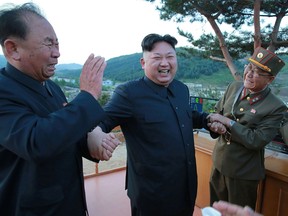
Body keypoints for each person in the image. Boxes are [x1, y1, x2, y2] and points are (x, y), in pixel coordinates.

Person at [0, 3, 119, 216]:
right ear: (13, 49)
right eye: (48, 44)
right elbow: (36, 141)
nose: (57, 53)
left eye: (57, 44)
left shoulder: (52, 87)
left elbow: (61, 132)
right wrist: (89, 95)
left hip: (70, 203)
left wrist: (89, 142)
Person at [98, 33, 226, 216]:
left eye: (170, 57)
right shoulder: (128, 93)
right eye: (157, 58)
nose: (164, 63)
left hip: (186, 185)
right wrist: (96, 135)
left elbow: (185, 115)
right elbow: (102, 120)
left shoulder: (181, 89)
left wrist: (207, 119)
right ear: (143, 63)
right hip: (151, 192)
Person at [208, 47, 287, 210]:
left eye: (258, 72)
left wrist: (229, 123)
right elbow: (217, 112)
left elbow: (256, 140)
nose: (249, 74)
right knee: (215, 211)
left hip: (243, 173)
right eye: (249, 67)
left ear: (270, 79)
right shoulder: (233, 87)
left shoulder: (276, 107)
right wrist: (215, 125)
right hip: (218, 163)